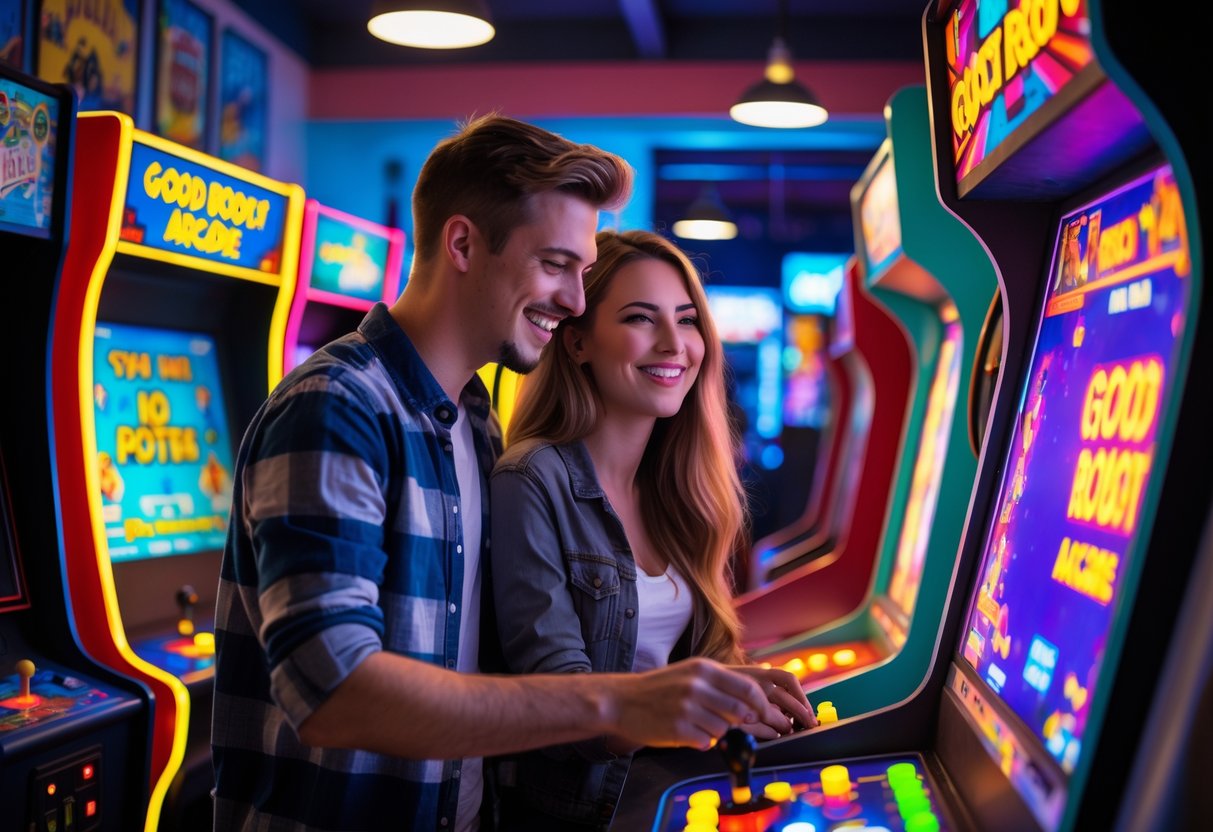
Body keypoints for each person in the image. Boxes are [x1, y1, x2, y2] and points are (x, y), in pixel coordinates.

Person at [210, 116, 779, 832]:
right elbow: (333, 690)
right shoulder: (335, 406)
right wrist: (622, 701)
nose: (575, 299)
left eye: (580, 270)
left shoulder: (471, 418)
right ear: (462, 244)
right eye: (554, 265)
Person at [487, 229, 818, 830]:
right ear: (579, 341)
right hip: (582, 812)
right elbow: (556, 701)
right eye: (642, 319)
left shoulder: (679, 487)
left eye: (687, 320)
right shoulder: (532, 478)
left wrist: (734, 690)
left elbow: (669, 667)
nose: (674, 344)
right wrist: (696, 702)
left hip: (673, 787)